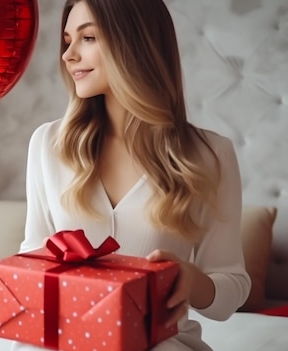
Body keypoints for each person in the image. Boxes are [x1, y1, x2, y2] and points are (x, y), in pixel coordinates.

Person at [14, 0, 251, 350]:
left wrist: (190, 279)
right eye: (67, 40)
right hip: (64, 340)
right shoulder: (47, 144)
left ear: (135, 44)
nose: (67, 55)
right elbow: (34, 257)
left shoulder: (211, 154)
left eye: (88, 38)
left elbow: (232, 287)